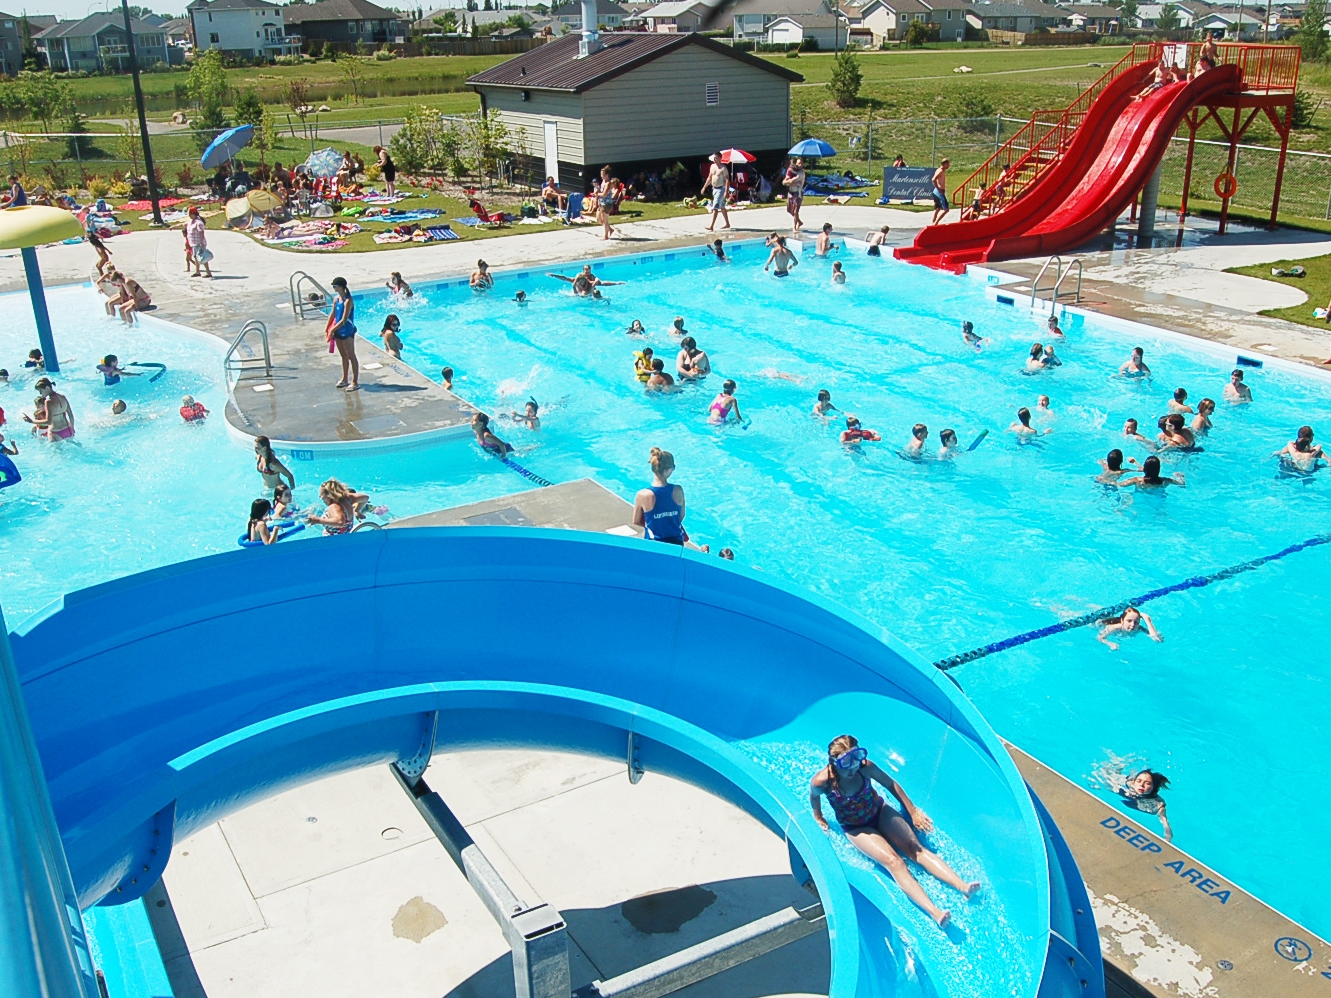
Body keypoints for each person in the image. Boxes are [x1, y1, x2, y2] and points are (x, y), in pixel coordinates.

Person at [810, 735, 979, 928]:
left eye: (856, 757)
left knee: (915, 848)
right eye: (846, 762)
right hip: (857, 828)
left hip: (879, 812)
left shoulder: (865, 767)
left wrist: (912, 810)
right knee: (894, 862)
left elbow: (891, 784)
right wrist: (818, 816)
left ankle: (962, 886)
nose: (853, 767)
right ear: (833, 762)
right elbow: (814, 798)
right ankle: (935, 913)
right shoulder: (822, 782)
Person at [632, 446, 708, 550]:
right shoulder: (678, 490)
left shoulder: (642, 495)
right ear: (668, 470)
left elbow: (637, 521)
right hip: (676, 542)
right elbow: (681, 516)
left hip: (653, 543)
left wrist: (656, 523)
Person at [1118, 769, 1172, 841]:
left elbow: (1165, 824)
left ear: (1154, 787)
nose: (1141, 785)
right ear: (1134, 782)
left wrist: (1168, 838)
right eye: (1139, 781)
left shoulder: (1158, 804)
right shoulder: (1128, 784)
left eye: (1147, 783)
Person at [326, 276, 359, 391]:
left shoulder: (348, 300)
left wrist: (332, 329)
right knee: (343, 356)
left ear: (341, 287)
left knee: (351, 355)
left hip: (347, 330)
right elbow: (333, 314)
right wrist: (327, 328)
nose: (333, 288)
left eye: (335, 286)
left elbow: (344, 319)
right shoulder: (336, 299)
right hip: (338, 330)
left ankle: (355, 381)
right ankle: (345, 378)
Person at [1097, 606, 1163, 650]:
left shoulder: (1139, 628)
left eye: (1136, 622)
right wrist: (1110, 644)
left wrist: (1147, 619)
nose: (1133, 625)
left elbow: (1156, 639)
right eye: (1129, 621)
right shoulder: (1113, 628)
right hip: (1100, 622)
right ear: (1122, 620)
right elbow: (1099, 637)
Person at [702, 153, 731, 232]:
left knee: (715, 207)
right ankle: (727, 224)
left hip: (721, 189)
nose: (715, 160)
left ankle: (711, 226)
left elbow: (727, 180)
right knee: (722, 207)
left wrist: (726, 191)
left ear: (720, 158)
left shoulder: (723, 168)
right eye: (714, 158)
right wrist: (704, 187)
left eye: (716, 158)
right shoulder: (712, 166)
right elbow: (709, 177)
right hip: (714, 189)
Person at [1118, 455, 1184, 489]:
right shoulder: (1165, 481)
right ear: (1158, 469)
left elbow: (1119, 485)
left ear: (1145, 468)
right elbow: (1182, 484)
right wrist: (1180, 476)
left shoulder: (1137, 480)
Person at [185, 206, 212, 278]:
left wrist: (201, 242)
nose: (189, 216)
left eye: (190, 214)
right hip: (193, 243)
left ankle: (208, 273)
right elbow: (183, 225)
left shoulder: (198, 222)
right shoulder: (191, 222)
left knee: (202, 257)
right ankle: (197, 271)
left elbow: (201, 232)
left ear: (194, 214)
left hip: (199, 243)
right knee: (196, 257)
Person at [782, 157, 805, 236]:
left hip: (797, 193)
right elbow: (784, 182)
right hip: (791, 193)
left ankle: (794, 227)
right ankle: (799, 221)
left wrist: (787, 181)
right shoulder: (792, 171)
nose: (800, 165)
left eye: (801, 163)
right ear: (796, 164)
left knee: (795, 211)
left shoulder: (801, 173)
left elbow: (791, 181)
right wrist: (787, 181)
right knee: (789, 210)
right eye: (798, 163)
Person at [930, 159, 950, 225]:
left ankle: (933, 222)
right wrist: (939, 189)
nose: (949, 166)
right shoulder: (940, 171)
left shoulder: (940, 170)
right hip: (939, 192)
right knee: (946, 209)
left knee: (938, 208)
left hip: (936, 191)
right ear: (944, 164)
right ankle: (936, 223)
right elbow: (933, 179)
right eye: (948, 164)